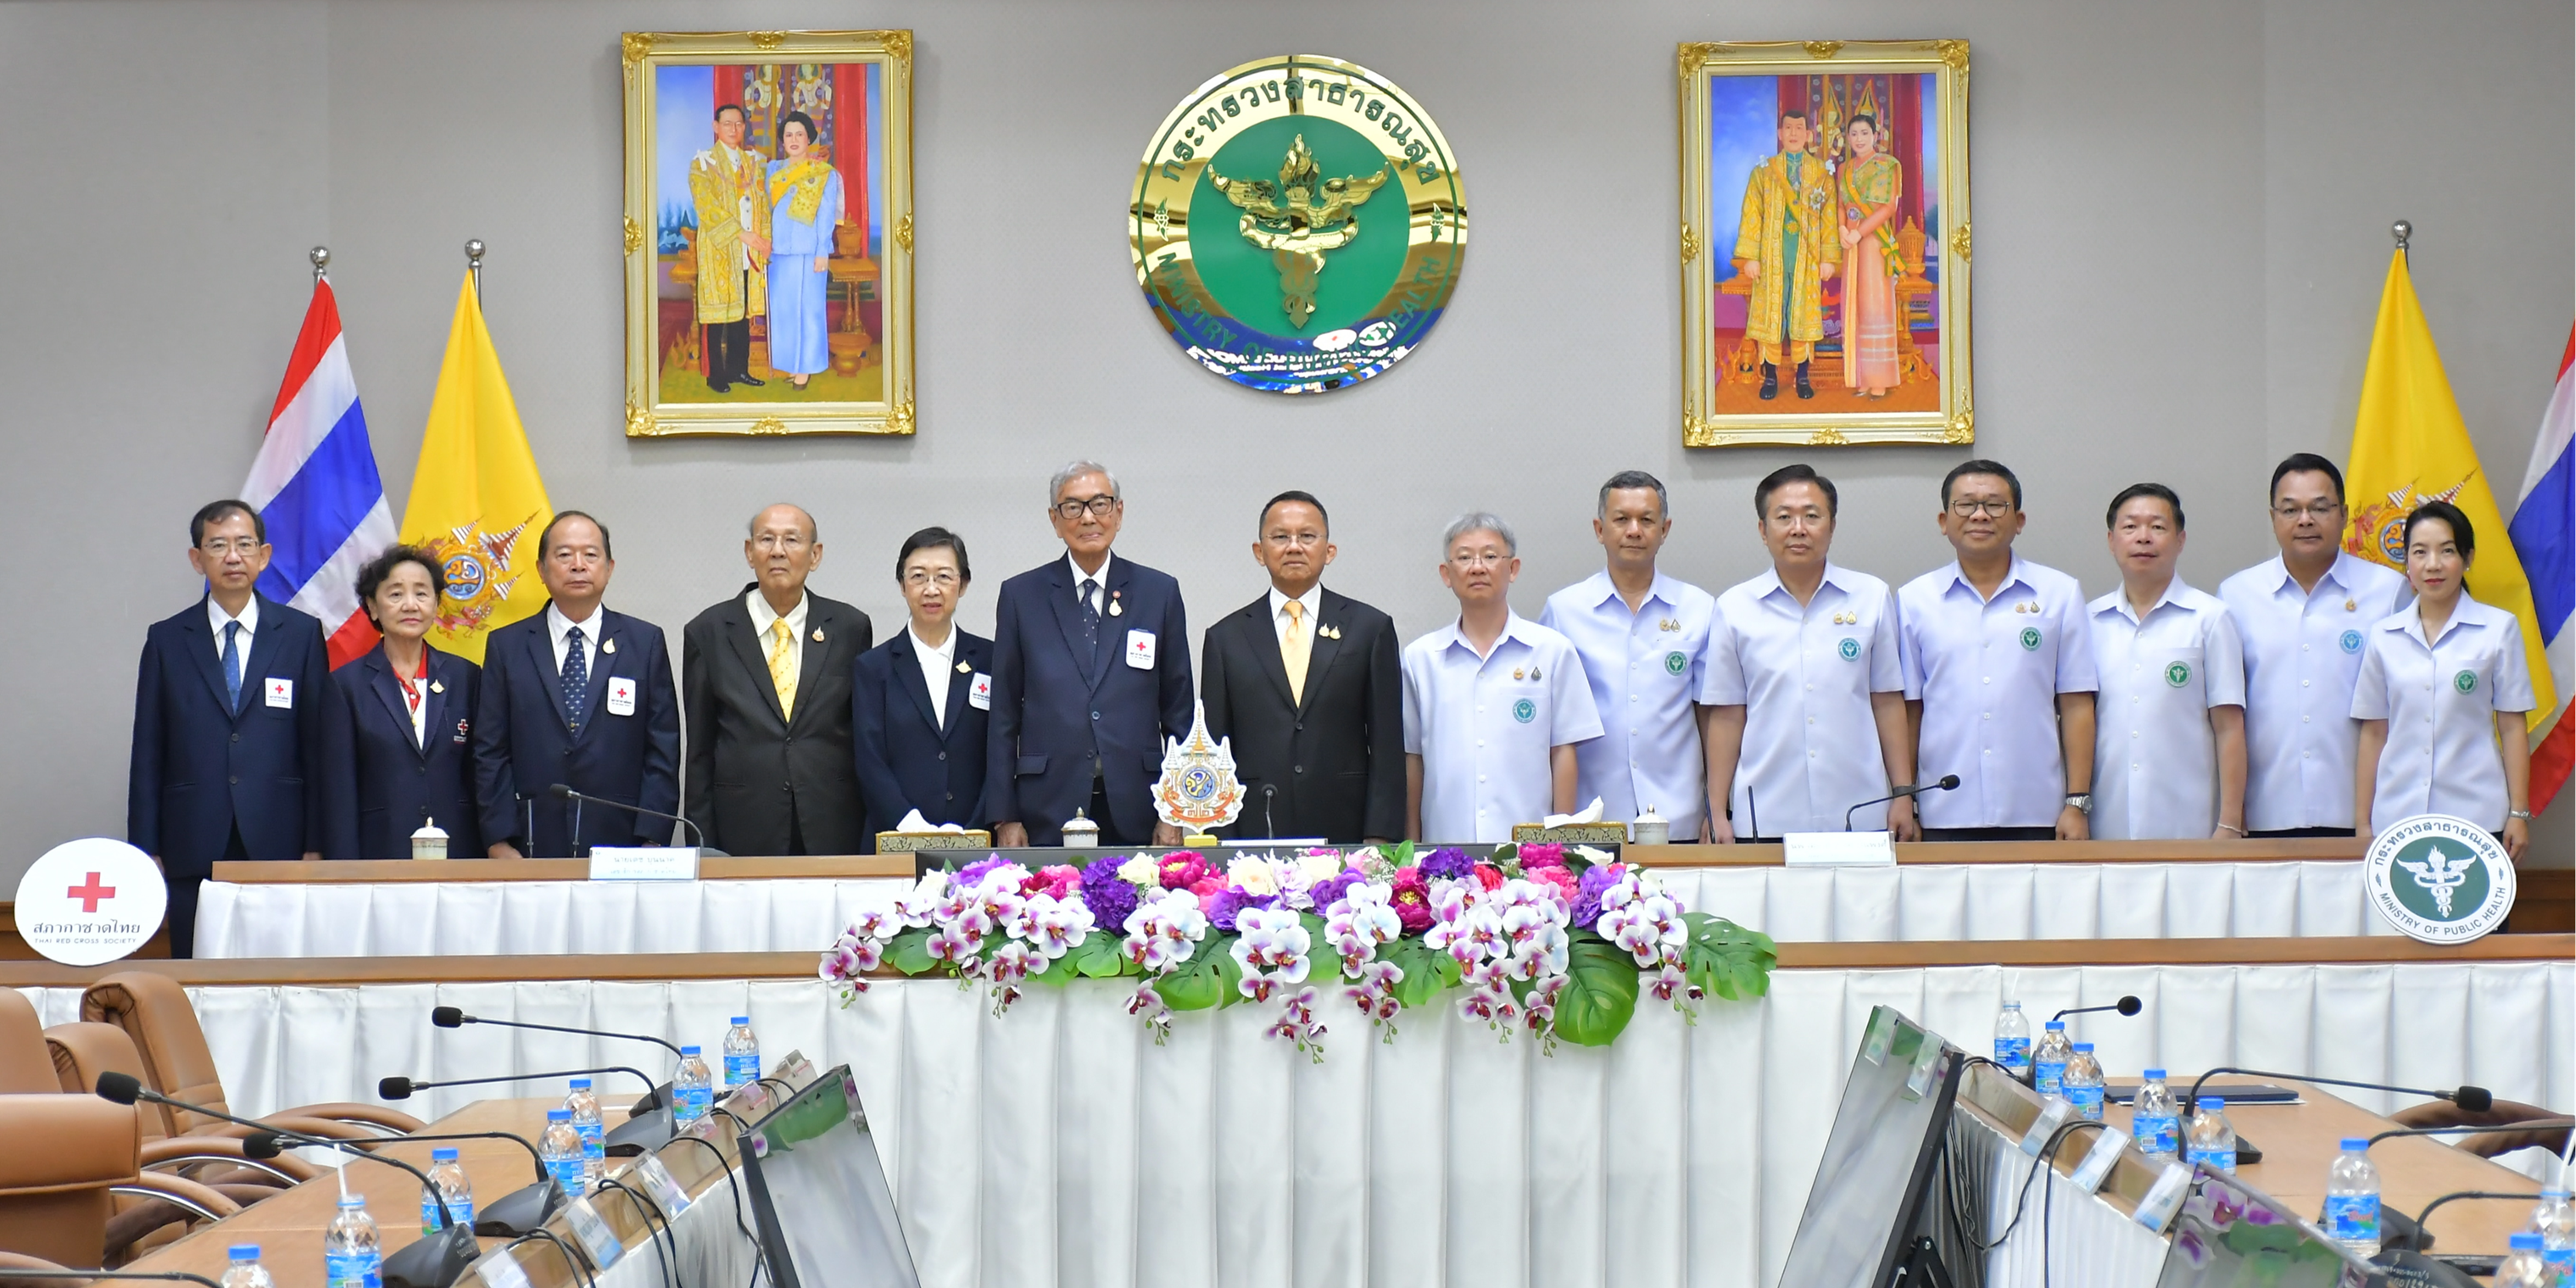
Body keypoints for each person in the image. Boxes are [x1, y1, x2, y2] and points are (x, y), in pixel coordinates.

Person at [129, 501, 329, 956]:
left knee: (280, 974)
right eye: (218, 545)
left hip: (282, 837)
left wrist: (317, 843)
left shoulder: (300, 634)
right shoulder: (166, 639)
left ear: (265, 555)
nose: (233, 556)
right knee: (196, 969)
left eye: (244, 544)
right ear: (197, 559)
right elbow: (148, 752)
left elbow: (318, 747)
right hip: (191, 838)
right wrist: (145, 848)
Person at [985, 462, 1193, 847]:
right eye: (1072, 507)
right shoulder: (1021, 596)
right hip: (1046, 802)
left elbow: (1179, 714)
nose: (1088, 517)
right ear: (1054, 518)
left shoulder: (1158, 593)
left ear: (1118, 512)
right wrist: (1004, 815)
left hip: (1140, 802)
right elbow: (1003, 715)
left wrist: (1175, 811)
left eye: (1100, 504)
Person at [1703, 465, 1916, 839]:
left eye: (1812, 516)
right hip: (1765, 812)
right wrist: (1717, 810)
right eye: (1784, 517)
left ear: (1831, 527)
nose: (1798, 528)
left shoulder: (1871, 597)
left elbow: (1887, 701)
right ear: (1762, 530)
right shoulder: (1734, 607)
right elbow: (1727, 715)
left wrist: (1903, 794)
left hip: (1860, 810)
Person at [1898, 460, 2100, 840]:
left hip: (2037, 809)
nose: (1979, 515)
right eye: (1965, 505)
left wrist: (2077, 802)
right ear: (1944, 521)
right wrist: (1905, 799)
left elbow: (2076, 704)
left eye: (1994, 505)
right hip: (1943, 809)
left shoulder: (2059, 594)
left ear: (2019, 520)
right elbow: (1911, 710)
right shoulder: (1914, 600)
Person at [2216, 454, 2411, 837]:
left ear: (2344, 513)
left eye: (2320, 507)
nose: (2305, 520)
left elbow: (2405, 705)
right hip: (2265, 809)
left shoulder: (2388, 592)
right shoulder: (2236, 595)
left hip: (2365, 814)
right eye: (2291, 509)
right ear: (2273, 517)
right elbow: (2226, 713)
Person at [473, 512, 681, 857]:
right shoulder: (506, 646)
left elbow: (662, 749)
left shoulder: (644, 643)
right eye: (564, 555)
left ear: (609, 568)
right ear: (541, 569)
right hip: (529, 844)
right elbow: (489, 752)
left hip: (624, 846)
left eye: (590, 554)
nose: (578, 565)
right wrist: (498, 841)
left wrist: (653, 840)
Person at [1202, 492, 1405, 842]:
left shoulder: (1370, 628)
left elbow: (1387, 745)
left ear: (1329, 551)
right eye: (1280, 537)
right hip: (1253, 828)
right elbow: (1215, 748)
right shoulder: (1225, 638)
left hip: (1346, 826)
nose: (1294, 546)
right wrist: (1221, 838)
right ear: (1258, 551)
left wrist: (1380, 837)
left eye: (1307, 536)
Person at [682, 504, 872, 856]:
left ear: (815, 555)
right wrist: (703, 846)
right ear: (749, 552)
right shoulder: (707, 632)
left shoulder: (849, 628)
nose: (778, 550)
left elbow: (863, 737)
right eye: (766, 539)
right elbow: (700, 751)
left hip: (832, 823)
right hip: (743, 826)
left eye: (792, 540)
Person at [1539, 471, 1718, 840]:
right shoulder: (1564, 610)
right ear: (1599, 529)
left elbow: (1710, 717)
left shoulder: (1699, 609)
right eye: (1621, 519)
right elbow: (1549, 723)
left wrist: (1716, 808)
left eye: (1647, 520)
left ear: (1665, 529)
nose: (1634, 530)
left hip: (1679, 813)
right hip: (1589, 816)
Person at [1403, 513, 1604, 842]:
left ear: (1513, 569)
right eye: (1465, 557)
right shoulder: (1420, 659)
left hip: (1529, 849)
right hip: (1444, 847)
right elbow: (1413, 760)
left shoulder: (1552, 651)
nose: (1478, 567)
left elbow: (1563, 752)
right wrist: (1411, 845)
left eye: (1491, 556)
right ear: (1446, 574)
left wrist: (1561, 847)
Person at [2353, 501, 2535, 855]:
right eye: (2420, 552)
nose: (2432, 564)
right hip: (2396, 817)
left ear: (2467, 558)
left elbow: (2512, 726)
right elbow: (2374, 731)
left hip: (2477, 816)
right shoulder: (2383, 635)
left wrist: (2518, 812)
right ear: (2406, 561)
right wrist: (2363, 822)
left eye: (2447, 551)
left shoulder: (2498, 629)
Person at [2085, 484, 2249, 840]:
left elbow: (2229, 726)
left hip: (2191, 825)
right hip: (2104, 825)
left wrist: (2230, 823)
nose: (2143, 538)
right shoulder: (2088, 622)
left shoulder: (2210, 618)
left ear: (2180, 540)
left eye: (2157, 527)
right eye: (2130, 527)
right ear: (2111, 540)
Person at [320, 545, 482, 860]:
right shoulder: (345, 685)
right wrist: (344, 868)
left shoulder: (467, 677)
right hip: (379, 851)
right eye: (395, 595)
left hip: (459, 851)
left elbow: (480, 771)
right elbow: (339, 790)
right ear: (373, 606)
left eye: (422, 594)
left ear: (436, 604)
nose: (410, 605)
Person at [853, 527, 992, 846]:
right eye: (918, 577)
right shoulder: (873, 667)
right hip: (893, 839)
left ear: (964, 584)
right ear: (902, 585)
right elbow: (869, 759)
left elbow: (1001, 752)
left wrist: (974, 828)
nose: (931, 589)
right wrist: (912, 826)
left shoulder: (991, 660)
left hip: (978, 839)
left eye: (944, 577)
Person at [1732, 107, 1837, 401]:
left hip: (1807, 258)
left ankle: (1803, 376)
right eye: (1788, 128)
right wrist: (1751, 256)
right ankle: (1770, 376)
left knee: (1802, 316)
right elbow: (1752, 214)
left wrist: (1829, 258)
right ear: (1779, 134)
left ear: (1808, 134)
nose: (1793, 133)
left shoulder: (1821, 174)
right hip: (1771, 259)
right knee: (1772, 317)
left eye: (1799, 128)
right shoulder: (1764, 172)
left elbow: (1829, 217)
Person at [689, 103, 772, 394]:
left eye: (738, 124)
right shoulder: (703, 163)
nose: (733, 129)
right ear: (715, 127)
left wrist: (764, 239)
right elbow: (706, 208)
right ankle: (716, 375)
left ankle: (739, 369)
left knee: (742, 314)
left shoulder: (753, 163)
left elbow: (763, 204)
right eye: (727, 124)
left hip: (748, 253)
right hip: (720, 249)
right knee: (718, 316)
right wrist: (741, 234)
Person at [763, 112, 841, 391]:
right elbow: (764, 210)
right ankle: (791, 364)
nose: (794, 140)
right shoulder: (772, 170)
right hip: (779, 252)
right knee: (784, 311)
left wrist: (823, 251)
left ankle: (806, 367)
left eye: (799, 134)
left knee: (808, 310)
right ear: (782, 140)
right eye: (788, 135)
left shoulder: (823, 173)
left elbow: (825, 215)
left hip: (810, 252)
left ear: (809, 138)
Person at [1837, 114, 1904, 399]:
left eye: (1865, 132)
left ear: (1876, 135)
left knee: (1876, 304)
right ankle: (1860, 375)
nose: (1859, 139)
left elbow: (1887, 208)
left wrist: (1858, 232)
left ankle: (1880, 378)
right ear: (1847, 138)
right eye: (1854, 134)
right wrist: (1842, 227)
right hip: (1850, 242)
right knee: (1855, 305)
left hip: (1873, 240)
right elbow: (1841, 203)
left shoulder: (1888, 165)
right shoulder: (1843, 169)